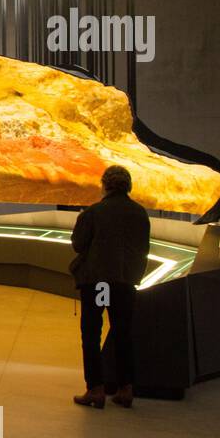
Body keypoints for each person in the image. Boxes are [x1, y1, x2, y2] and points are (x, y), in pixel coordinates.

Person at [70, 164, 151, 409]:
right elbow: (143, 247)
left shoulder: (94, 212)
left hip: (97, 282)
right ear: (128, 186)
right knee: (123, 334)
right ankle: (126, 388)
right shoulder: (140, 213)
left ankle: (96, 389)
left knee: (92, 333)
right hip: (125, 281)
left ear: (105, 185)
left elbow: (78, 244)